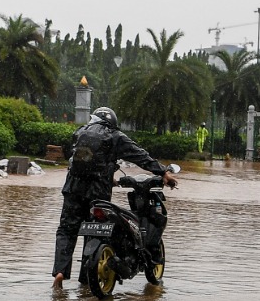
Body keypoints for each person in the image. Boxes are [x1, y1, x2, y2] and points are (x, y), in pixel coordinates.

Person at [53, 106, 177, 285]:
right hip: (98, 192)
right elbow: (139, 155)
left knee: (66, 230)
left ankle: (60, 272)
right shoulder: (115, 136)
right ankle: (86, 279)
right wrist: (163, 173)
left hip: (73, 189)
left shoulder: (80, 132)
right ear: (112, 122)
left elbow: (75, 159)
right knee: (95, 232)